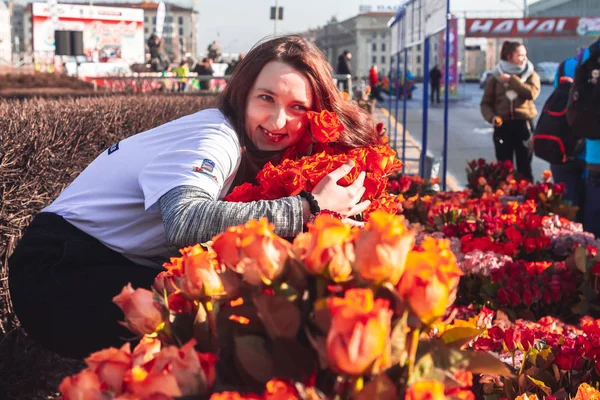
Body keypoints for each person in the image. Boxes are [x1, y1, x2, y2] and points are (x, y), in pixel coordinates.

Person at [8, 35, 379, 360]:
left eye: (298, 107)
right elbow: (185, 221)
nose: (279, 120)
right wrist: (308, 208)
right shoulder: (215, 137)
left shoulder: (241, 143)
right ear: (243, 95)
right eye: (266, 98)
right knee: (229, 323)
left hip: (92, 263)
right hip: (59, 275)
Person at [480, 41, 540, 181]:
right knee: (504, 170)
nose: (524, 58)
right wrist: (492, 118)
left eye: (525, 55)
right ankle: (505, 200)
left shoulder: (530, 73)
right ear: (509, 56)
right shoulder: (495, 77)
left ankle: (526, 200)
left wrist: (512, 80)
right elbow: (485, 103)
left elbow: (531, 93)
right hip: (503, 126)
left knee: (524, 169)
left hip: (524, 125)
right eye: (520, 55)